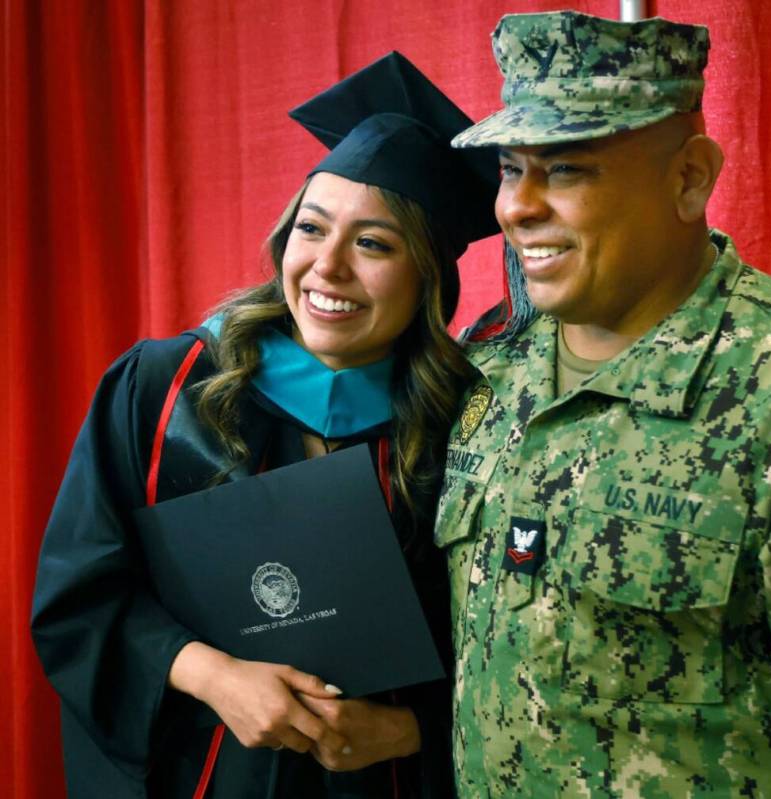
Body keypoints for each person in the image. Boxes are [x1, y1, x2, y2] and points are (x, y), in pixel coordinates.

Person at [436, 11, 771, 798]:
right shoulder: (490, 367)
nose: (517, 207)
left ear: (688, 178)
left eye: (567, 170)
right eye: (510, 168)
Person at [31, 51, 498, 799]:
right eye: (311, 229)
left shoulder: (466, 428)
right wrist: (215, 676)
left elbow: (507, 648)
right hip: (196, 774)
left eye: (373, 243)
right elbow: (79, 597)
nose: (327, 267)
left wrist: (412, 728)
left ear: (427, 276)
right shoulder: (165, 386)